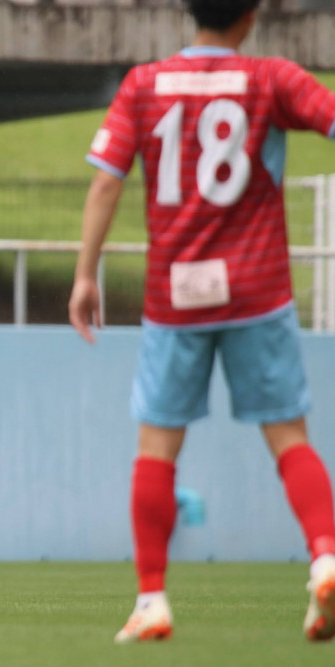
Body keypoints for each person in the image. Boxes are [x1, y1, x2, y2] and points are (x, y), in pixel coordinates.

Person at [69, 0, 335, 644]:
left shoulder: (144, 84)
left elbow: (105, 182)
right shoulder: (271, 78)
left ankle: (152, 600)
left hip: (175, 296)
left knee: (157, 449)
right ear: (251, 17)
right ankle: (326, 558)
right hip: (258, 292)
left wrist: (85, 275)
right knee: (289, 436)